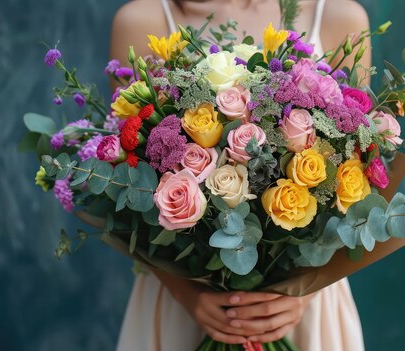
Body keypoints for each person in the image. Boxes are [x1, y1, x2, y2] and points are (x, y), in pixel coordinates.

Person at [109, 1, 371, 350]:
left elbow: (359, 168)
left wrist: (302, 295)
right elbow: (125, 178)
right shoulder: (142, 19)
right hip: (183, 307)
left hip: (305, 310)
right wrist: (188, 295)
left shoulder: (341, 16)